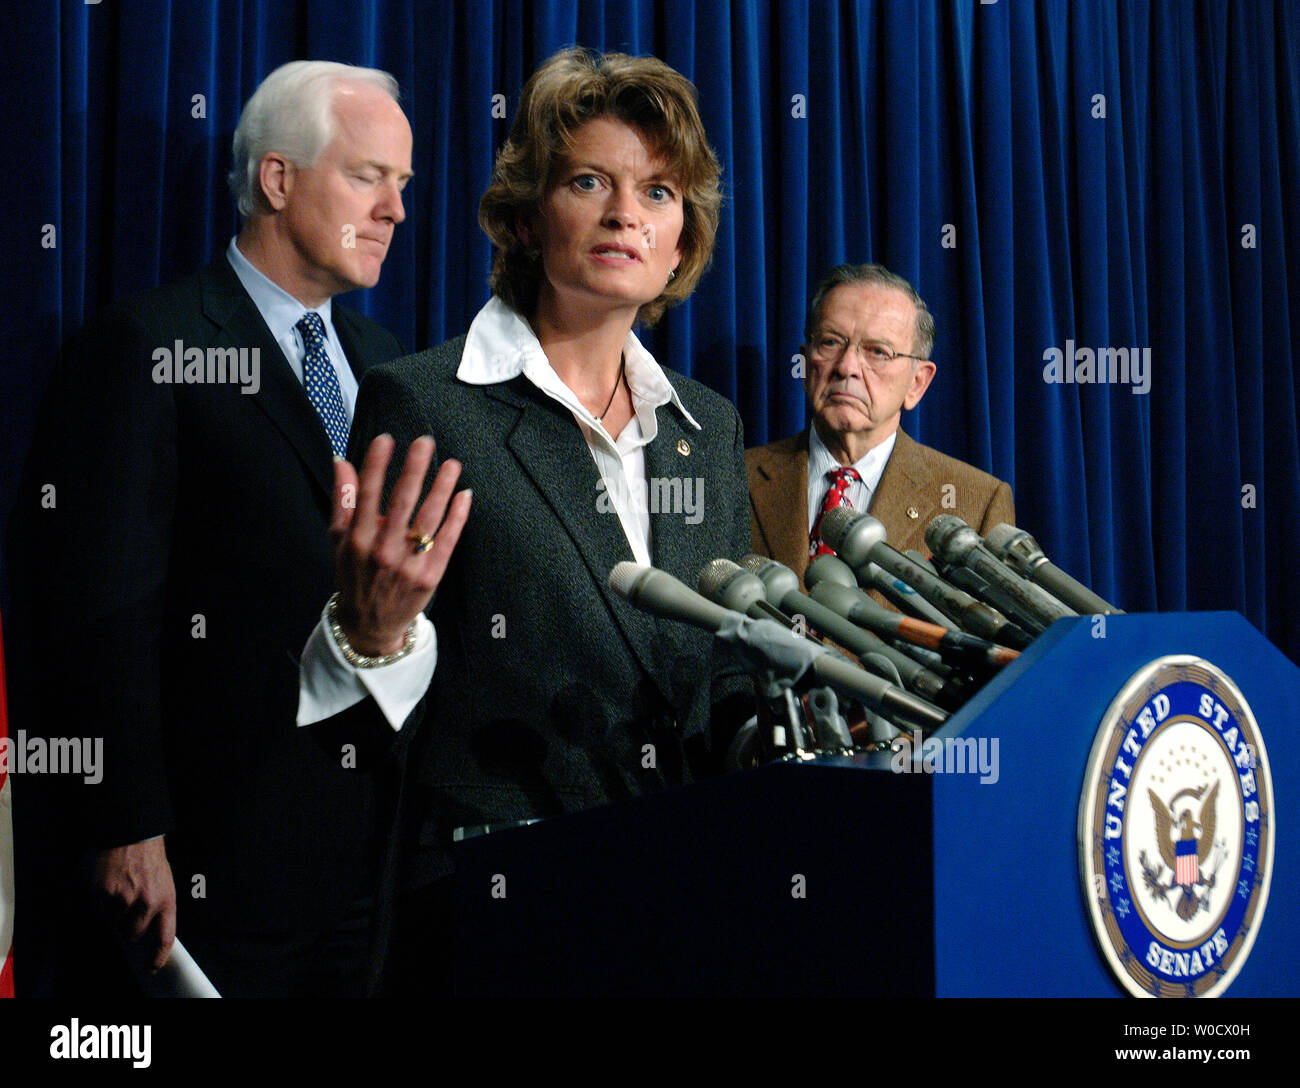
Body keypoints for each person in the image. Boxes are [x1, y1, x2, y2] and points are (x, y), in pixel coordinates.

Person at [303, 47, 754, 989]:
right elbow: (352, 704)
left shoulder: (709, 429)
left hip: (685, 900)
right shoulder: (427, 403)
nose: (627, 213)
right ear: (526, 215)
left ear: (684, 240)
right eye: (591, 181)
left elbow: (724, 670)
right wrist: (373, 632)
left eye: (660, 193)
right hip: (498, 906)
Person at [10, 60, 461, 997]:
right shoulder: (148, 344)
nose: (396, 212)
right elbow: (94, 610)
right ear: (278, 178)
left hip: (364, 858)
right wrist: (124, 826)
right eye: (369, 177)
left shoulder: (388, 366)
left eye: (404, 187)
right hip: (207, 865)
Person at [747, 263, 1014, 585]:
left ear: (917, 382)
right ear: (805, 363)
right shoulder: (737, 476)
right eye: (831, 342)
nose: (847, 367)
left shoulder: (976, 501)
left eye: (877, 352)